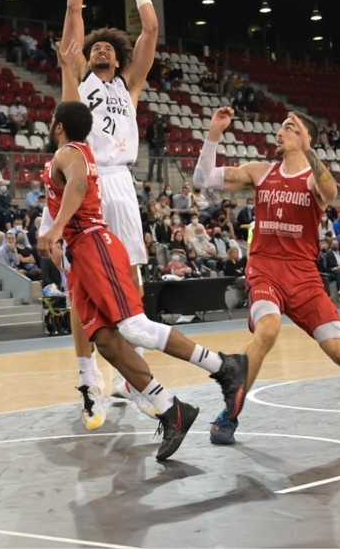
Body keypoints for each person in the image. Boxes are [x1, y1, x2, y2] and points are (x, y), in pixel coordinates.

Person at [36, 101, 247, 459]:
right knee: (105, 341)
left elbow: (77, 184)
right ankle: (172, 410)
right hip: (80, 255)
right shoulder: (67, 156)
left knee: (133, 328)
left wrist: (55, 230)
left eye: (52, 120)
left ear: (59, 126)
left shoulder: (70, 152)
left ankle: (224, 366)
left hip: (94, 245)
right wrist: (55, 235)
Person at [192, 106, 340, 445]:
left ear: (305, 138)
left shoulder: (314, 179)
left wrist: (310, 151)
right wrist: (214, 132)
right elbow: (203, 180)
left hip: (303, 275)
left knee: (338, 350)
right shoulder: (261, 171)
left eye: (289, 127)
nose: (280, 131)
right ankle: (230, 413)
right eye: (282, 126)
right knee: (268, 330)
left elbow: (331, 193)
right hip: (265, 269)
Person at [52, 0, 161, 423]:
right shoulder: (77, 81)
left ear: (117, 57)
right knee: (83, 284)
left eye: (106, 48)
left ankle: (128, 377)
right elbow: (73, 9)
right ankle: (86, 376)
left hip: (120, 183)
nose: (98, 49)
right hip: (86, 176)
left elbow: (151, 30)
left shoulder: (129, 86)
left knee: (130, 279)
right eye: (92, 46)